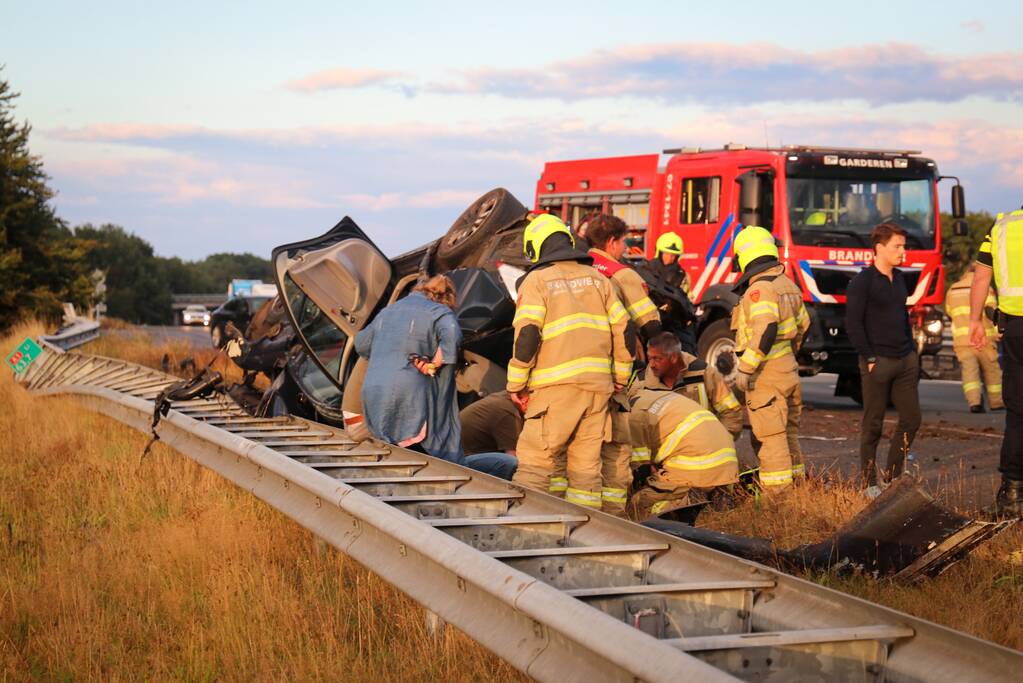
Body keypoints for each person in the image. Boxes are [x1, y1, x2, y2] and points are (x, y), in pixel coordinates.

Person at [508, 214, 633, 511]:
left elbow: (527, 336)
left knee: (537, 464)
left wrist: (516, 383)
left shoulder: (537, 281)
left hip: (555, 390)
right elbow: (625, 329)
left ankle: (525, 529)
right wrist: (620, 376)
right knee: (586, 471)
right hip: (598, 391)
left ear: (535, 248)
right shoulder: (599, 280)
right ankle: (584, 534)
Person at [586, 214, 661, 516]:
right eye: (625, 242)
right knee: (615, 447)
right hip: (610, 375)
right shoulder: (621, 274)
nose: (625, 248)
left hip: (568, 375)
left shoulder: (575, 268)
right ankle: (613, 517)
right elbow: (650, 325)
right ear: (612, 242)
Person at [731, 225, 810, 490]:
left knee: (771, 438)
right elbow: (804, 327)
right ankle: (798, 488)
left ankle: (778, 500)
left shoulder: (760, 289)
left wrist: (745, 368)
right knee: (788, 434)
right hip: (788, 370)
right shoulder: (788, 285)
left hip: (766, 374)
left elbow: (766, 327)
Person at [845, 223, 921, 488]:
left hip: (905, 359)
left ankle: (893, 478)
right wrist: (869, 357)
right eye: (897, 246)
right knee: (873, 425)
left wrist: (912, 351)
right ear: (879, 248)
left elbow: (902, 315)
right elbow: (853, 324)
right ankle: (868, 484)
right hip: (878, 361)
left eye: (904, 246)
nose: (903, 252)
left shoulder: (899, 278)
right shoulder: (862, 282)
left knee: (912, 419)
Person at [355, 275, 463, 462]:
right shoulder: (440, 312)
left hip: (373, 391)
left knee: (389, 452)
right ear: (446, 298)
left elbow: (361, 343)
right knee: (420, 457)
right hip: (410, 395)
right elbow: (452, 333)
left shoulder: (386, 312)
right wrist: (436, 362)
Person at [971, 207, 1023, 518]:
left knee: (1018, 410)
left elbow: (981, 277)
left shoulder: (1002, 226)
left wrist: (976, 319)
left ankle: (1013, 496)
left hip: (1016, 329)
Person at [627, 386, 739, 520]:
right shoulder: (649, 396)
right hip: (726, 460)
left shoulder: (632, 417)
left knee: (638, 502)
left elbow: (637, 469)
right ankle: (714, 491)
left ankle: (689, 500)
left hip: (695, 464)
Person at [640, 332, 743, 440]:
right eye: (649, 358)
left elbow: (731, 412)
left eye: (657, 359)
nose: (651, 364)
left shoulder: (704, 373)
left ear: (674, 358)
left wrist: (721, 441)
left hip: (701, 450)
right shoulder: (642, 382)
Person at [946, 266, 1002, 412]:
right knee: (992, 372)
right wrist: (998, 332)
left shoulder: (953, 290)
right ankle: (996, 402)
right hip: (984, 339)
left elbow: (950, 312)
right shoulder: (986, 288)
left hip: (963, 340)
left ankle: (974, 403)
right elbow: (992, 311)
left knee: (970, 372)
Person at [457, 392, 522, 480]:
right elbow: (513, 454)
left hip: (462, 454)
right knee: (509, 462)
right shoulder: (507, 412)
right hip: (457, 461)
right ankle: (496, 490)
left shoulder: (501, 398)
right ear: (523, 400)